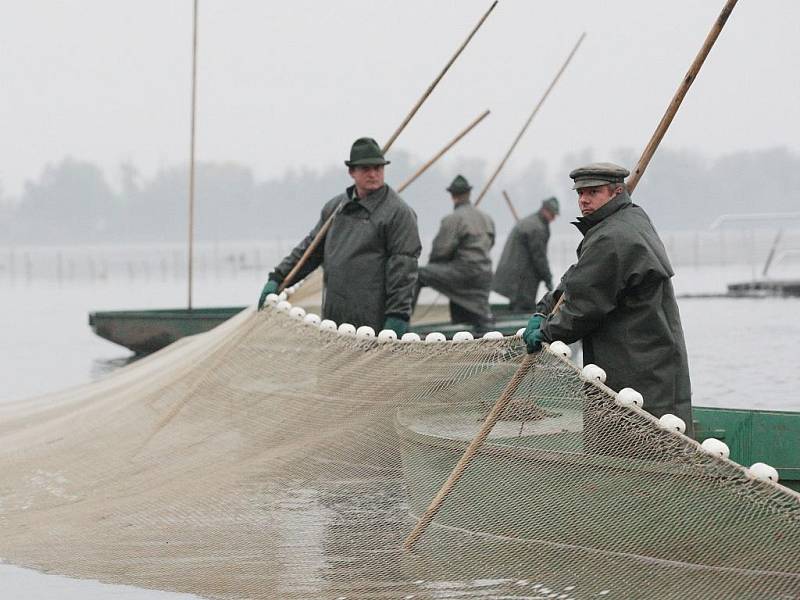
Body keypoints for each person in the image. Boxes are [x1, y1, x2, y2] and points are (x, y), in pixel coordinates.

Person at [524, 162, 693, 434]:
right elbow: (579, 277)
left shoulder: (612, 236)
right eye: (580, 193)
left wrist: (545, 333)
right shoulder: (629, 218)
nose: (584, 200)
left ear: (616, 192)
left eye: (593, 192)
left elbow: (581, 308)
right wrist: (544, 309)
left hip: (636, 364)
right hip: (651, 358)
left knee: (634, 439)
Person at [257, 137, 421, 336]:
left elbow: (404, 269)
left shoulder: (399, 213)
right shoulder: (335, 209)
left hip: (375, 323)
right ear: (352, 172)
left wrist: (398, 316)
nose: (373, 174)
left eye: (378, 168)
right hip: (335, 321)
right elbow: (310, 251)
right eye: (365, 169)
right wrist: (278, 277)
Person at [414, 175, 495, 333]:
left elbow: (440, 251)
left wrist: (437, 267)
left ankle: (401, 321)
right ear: (468, 194)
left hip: (463, 275)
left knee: (416, 273)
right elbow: (490, 244)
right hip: (485, 275)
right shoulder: (487, 218)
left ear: (452, 196)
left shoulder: (452, 219)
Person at [492, 197, 559, 311]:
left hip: (517, 277)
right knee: (524, 307)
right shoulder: (536, 228)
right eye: (552, 215)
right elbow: (539, 257)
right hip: (521, 279)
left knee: (520, 305)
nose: (553, 218)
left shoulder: (533, 223)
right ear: (545, 210)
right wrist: (548, 279)